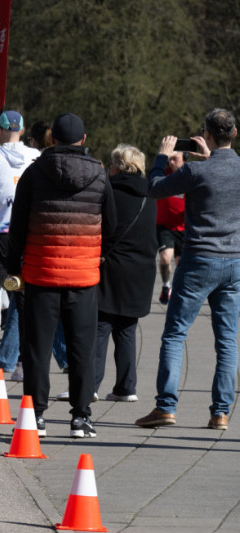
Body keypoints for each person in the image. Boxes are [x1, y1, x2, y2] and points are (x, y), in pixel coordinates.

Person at [6, 113, 116, 438]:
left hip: (41, 274)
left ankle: (35, 415)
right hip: (83, 276)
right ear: (83, 140)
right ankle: (80, 417)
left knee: (37, 348)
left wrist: (13, 268)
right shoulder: (99, 174)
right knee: (81, 347)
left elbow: (18, 227)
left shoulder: (34, 172)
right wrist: (96, 252)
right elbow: (111, 225)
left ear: (51, 139)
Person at [136, 108, 240, 431]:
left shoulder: (196, 172)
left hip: (199, 259)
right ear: (234, 134)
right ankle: (220, 412)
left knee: (175, 332)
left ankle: (166, 406)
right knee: (227, 340)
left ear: (207, 134)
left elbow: (154, 187)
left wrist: (161, 156)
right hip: (234, 261)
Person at [0, 111, 39, 376]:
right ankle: (22, 363)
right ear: (22, 131)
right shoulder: (36, 157)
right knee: (25, 300)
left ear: (0, 131)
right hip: (27, 237)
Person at [94, 144, 157, 403]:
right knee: (127, 329)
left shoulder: (109, 193)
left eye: (111, 164)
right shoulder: (152, 194)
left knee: (100, 327)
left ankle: (91, 385)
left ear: (118, 166)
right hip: (141, 271)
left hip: (112, 268)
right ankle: (126, 387)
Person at [155, 151, 186, 305]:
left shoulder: (190, 175)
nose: (171, 162)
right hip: (164, 225)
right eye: (170, 159)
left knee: (181, 263)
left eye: (175, 159)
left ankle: (176, 288)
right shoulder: (163, 175)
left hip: (184, 227)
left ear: (184, 159)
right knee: (165, 257)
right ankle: (166, 286)